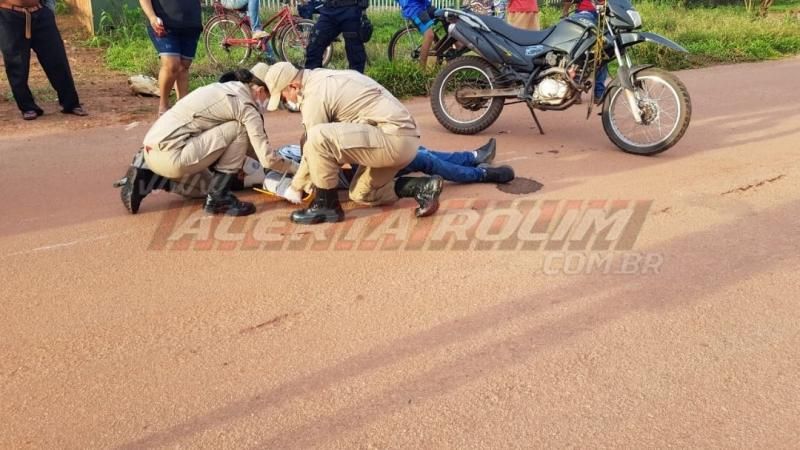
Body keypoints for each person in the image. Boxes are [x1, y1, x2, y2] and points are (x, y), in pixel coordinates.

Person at [262, 62, 444, 224]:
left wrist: (295, 187)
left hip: (392, 139)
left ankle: (326, 206)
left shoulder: (313, 95)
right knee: (361, 194)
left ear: (294, 86)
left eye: (284, 97)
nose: (286, 102)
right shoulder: (321, 76)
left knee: (316, 137)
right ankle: (422, 187)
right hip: (403, 140)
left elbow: (314, 144)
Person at [119, 64, 295, 216]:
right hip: (172, 154)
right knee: (239, 129)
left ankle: (150, 177)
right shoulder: (246, 106)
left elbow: (231, 144)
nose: (271, 104)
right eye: (271, 97)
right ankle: (219, 198)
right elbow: (266, 158)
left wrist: (244, 163)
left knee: (204, 187)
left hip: (153, 150)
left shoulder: (225, 88)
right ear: (260, 89)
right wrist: (298, 170)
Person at [0, 0, 87, 120]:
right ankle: (27, 107)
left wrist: (48, 11)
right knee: (17, 64)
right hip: (8, 15)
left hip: (40, 13)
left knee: (57, 59)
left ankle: (70, 103)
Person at [139, 0, 202, 115]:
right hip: (164, 24)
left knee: (184, 67)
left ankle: (182, 106)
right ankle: (163, 106)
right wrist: (152, 17)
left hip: (191, 23)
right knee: (172, 65)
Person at [304, 0, 368, 73]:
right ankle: (312, 80)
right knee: (314, 48)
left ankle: (356, 81)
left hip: (351, 9)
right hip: (329, 10)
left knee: (355, 52)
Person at [562, 0, 607, 101]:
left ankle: (576, 91)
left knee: (580, 52)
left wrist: (565, 12)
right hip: (597, 13)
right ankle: (598, 93)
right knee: (601, 52)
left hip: (587, 13)